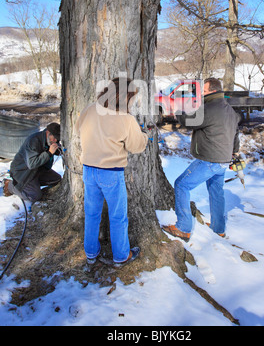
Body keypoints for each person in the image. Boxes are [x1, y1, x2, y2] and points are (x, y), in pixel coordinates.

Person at [75, 77, 148, 267]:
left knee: (91, 214)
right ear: (126, 97)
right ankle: (121, 255)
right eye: (132, 98)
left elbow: (77, 128)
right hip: (111, 173)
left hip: (89, 170)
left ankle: (91, 252)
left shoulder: (90, 108)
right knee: (117, 216)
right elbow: (137, 146)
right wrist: (145, 136)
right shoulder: (126, 119)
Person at [163, 78, 240, 241]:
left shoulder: (209, 108)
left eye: (203, 91)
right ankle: (218, 228)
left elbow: (187, 122)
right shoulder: (229, 110)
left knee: (181, 185)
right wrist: (234, 152)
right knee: (216, 191)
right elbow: (236, 136)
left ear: (212, 91)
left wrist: (177, 109)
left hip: (210, 160)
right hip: (223, 160)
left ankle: (183, 228)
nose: (201, 94)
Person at [4, 122, 62, 203]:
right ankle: (10, 185)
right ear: (48, 132)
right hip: (23, 172)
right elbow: (32, 164)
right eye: (54, 138)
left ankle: (33, 185)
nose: (55, 141)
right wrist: (49, 153)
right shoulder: (33, 141)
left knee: (56, 179)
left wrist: (59, 150)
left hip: (37, 170)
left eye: (57, 139)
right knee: (34, 196)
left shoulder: (49, 140)